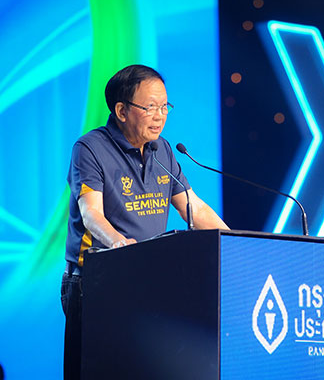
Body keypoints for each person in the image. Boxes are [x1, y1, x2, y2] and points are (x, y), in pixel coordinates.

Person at [60, 64, 228, 380]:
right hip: (94, 283)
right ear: (121, 111)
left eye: (165, 107)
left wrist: (235, 243)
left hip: (148, 282)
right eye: (150, 107)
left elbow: (193, 208)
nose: (159, 116)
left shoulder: (162, 149)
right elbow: (91, 213)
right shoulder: (90, 148)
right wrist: (120, 245)